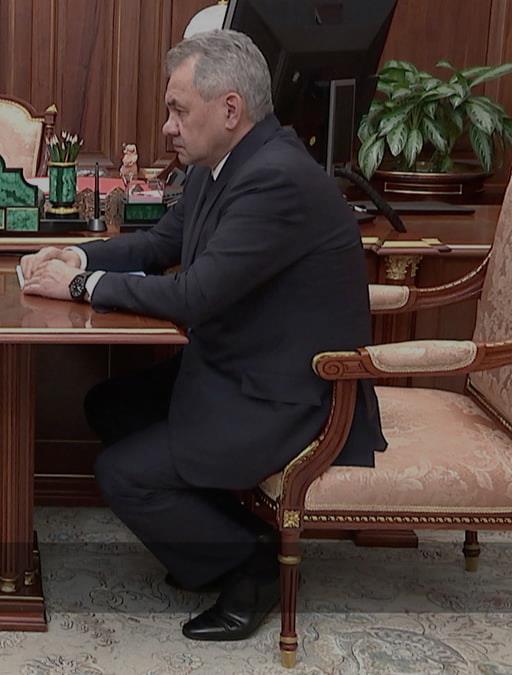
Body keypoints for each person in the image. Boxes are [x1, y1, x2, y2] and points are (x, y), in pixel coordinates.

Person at [20, 30, 386, 641]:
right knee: (109, 404)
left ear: (230, 108)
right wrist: (77, 256)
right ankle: (221, 532)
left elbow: (195, 295)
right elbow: (160, 243)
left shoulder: (275, 179)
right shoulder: (221, 167)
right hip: (235, 364)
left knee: (122, 474)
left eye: (177, 110)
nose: (168, 126)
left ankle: (253, 566)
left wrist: (81, 288)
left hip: (285, 393)